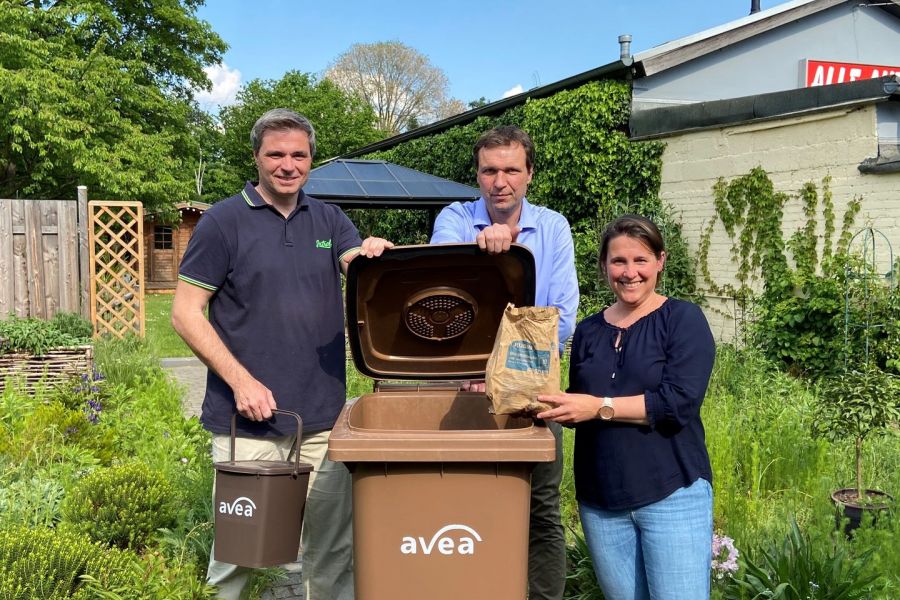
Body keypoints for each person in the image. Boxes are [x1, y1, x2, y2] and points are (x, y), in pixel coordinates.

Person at [171, 108, 392, 600]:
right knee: (239, 554)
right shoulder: (223, 222)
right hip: (247, 422)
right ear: (257, 158)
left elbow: (356, 267)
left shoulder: (329, 218)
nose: (287, 164)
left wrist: (372, 252)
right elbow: (186, 313)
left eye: (299, 154)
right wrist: (241, 382)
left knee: (332, 553)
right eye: (276, 154)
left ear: (311, 160)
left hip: (323, 420)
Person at [430, 125, 578, 600]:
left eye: (512, 169)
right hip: (464, 396)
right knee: (465, 505)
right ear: (477, 176)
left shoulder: (553, 228)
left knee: (541, 510)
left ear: (529, 174)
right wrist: (491, 246)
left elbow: (563, 319)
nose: (500, 181)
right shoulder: (455, 218)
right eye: (489, 170)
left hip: (534, 397)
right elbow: (443, 291)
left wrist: (516, 247)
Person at [536, 215, 716, 600]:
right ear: (603, 266)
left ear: (660, 262)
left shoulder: (683, 319)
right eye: (618, 261)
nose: (629, 272)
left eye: (641, 260)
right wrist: (531, 398)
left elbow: (677, 403)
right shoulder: (587, 331)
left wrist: (599, 407)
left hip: (672, 495)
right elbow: (577, 405)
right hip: (602, 503)